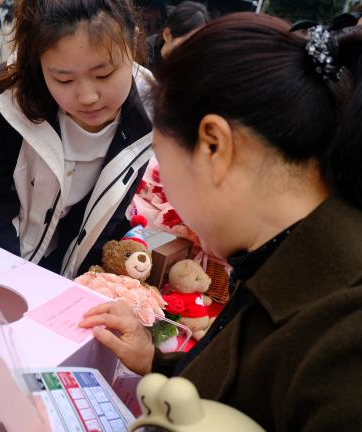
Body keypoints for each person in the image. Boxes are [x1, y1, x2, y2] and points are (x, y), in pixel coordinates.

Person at [80, 13, 362, 431]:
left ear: (214, 146)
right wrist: (154, 360)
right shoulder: (286, 260)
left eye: (164, 161)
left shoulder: (343, 342)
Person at [0, 0, 154, 279]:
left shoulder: (149, 116)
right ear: (37, 59)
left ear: (133, 41)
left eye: (103, 74)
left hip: (65, 276)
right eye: (64, 80)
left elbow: (106, 221)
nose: (88, 97)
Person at [145, 1, 209, 71]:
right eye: (186, 43)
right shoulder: (143, 58)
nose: (191, 51)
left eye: (197, 46)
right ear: (167, 35)